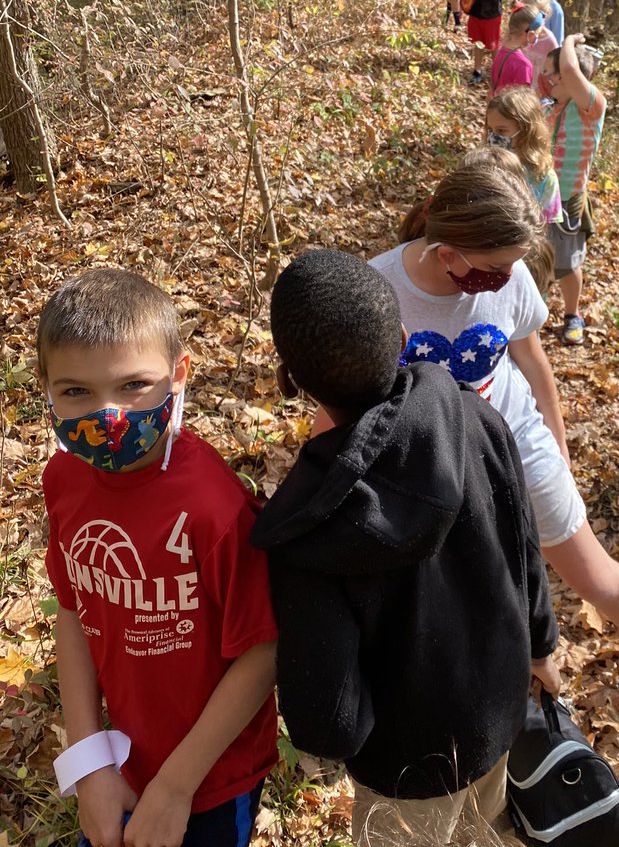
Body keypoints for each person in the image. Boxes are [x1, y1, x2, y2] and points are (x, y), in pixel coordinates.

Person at [369, 163, 619, 777]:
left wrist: (557, 446)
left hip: (516, 443)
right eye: (495, 268)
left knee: (593, 574)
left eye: (512, 266)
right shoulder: (379, 289)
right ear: (447, 253)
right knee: (462, 596)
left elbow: (531, 359)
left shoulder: (510, 278)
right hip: (435, 467)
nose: (505, 279)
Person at [250, 250, 560, 845]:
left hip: (404, 767)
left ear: (292, 380)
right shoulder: (475, 417)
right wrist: (541, 644)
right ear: (401, 338)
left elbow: (329, 722)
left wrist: (346, 738)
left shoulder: (310, 529)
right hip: (499, 715)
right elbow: (525, 543)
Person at [37, 269, 278, 847]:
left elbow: (264, 650)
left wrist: (174, 788)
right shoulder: (65, 478)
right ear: (44, 386)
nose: (108, 416)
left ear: (179, 374)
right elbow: (72, 610)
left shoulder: (215, 508)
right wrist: (89, 763)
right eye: (76, 392)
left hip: (210, 781)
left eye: (133, 385)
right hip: (118, 765)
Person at [540, 34, 606, 347]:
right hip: (541, 199)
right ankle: (533, 311)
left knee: (567, 263)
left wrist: (570, 40)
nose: (548, 78)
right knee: (537, 256)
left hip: (568, 201)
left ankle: (572, 314)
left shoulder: (591, 108)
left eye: (552, 73)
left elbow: (569, 68)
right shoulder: (551, 109)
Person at [485, 87, 562, 226]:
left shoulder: (544, 178)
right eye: (490, 129)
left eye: (501, 130)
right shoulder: (486, 166)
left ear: (526, 131)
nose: (493, 136)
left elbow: (546, 228)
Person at [490, 5, 541, 93]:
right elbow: (523, 98)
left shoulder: (500, 52)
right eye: (538, 34)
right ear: (531, 35)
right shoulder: (524, 65)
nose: (538, 37)